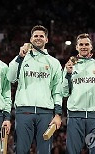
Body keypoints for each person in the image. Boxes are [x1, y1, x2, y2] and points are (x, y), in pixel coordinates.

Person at [7, 25, 62, 154]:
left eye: (41, 36)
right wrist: (20, 57)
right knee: (21, 150)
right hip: (24, 111)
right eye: (35, 36)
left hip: (46, 113)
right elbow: (10, 77)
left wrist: (58, 114)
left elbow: (57, 90)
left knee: (44, 151)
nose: (38, 38)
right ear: (30, 39)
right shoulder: (21, 59)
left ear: (46, 40)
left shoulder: (54, 62)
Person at [62, 33, 95, 154]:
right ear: (76, 47)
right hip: (75, 115)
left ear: (91, 47)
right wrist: (68, 74)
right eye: (81, 44)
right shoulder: (69, 66)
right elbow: (64, 92)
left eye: (86, 44)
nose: (84, 47)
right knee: (72, 151)